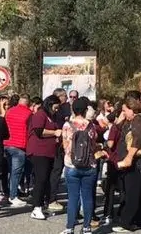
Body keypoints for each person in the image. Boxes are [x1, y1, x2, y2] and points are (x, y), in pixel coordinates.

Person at [61, 97, 101, 234]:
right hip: (89, 165)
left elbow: (65, 146)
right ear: (85, 110)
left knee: (73, 197)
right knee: (88, 197)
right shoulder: (91, 126)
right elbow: (93, 144)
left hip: (72, 165)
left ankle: (70, 227)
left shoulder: (67, 125)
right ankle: (86, 227)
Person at [112, 97, 141, 233]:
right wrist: (121, 119)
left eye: (125, 110)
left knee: (132, 192)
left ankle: (126, 222)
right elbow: (116, 130)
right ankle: (138, 220)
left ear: (132, 109)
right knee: (135, 192)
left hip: (134, 162)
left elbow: (137, 140)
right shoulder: (130, 120)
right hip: (129, 162)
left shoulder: (138, 120)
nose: (123, 113)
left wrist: (129, 157)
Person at [28, 95, 62, 219]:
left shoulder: (51, 116)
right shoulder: (40, 114)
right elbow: (38, 131)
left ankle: (42, 206)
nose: (57, 110)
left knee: (46, 180)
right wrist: (54, 132)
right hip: (39, 152)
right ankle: (36, 207)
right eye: (55, 107)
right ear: (49, 104)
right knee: (40, 179)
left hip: (49, 152)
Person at [3, 95, 32, 207]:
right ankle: (13, 196)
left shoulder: (9, 111)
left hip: (7, 144)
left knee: (10, 171)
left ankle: (8, 193)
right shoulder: (29, 114)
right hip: (19, 146)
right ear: (28, 103)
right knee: (16, 173)